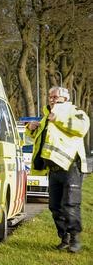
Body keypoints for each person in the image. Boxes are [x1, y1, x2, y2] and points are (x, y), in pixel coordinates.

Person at [25, 86, 89, 253]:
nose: (52, 99)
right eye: (50, 97)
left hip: (70, 166)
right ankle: (64, 238)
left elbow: (82, 127)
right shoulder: (48, 115)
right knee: (54, 206)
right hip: (53, 168)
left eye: (55, 97)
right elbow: (44, 139)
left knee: (70, 204)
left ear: (65, 99)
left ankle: (75, 238)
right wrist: (31, 129)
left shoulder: (73, 111)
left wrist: (57, 119)